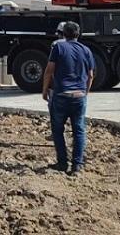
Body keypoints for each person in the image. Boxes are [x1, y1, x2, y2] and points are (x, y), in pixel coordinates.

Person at [41, 21, 95, 175]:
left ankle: (62, 163)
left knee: (58, 130)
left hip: (61, 95)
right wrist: (85, 92)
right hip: (79, 96)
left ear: (63, 33)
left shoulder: (58, 47)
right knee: (79, 130)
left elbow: (49, 71)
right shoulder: (86, 50)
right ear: (78, 34)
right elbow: (90, 75)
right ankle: (77, 165)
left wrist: (45, 91)